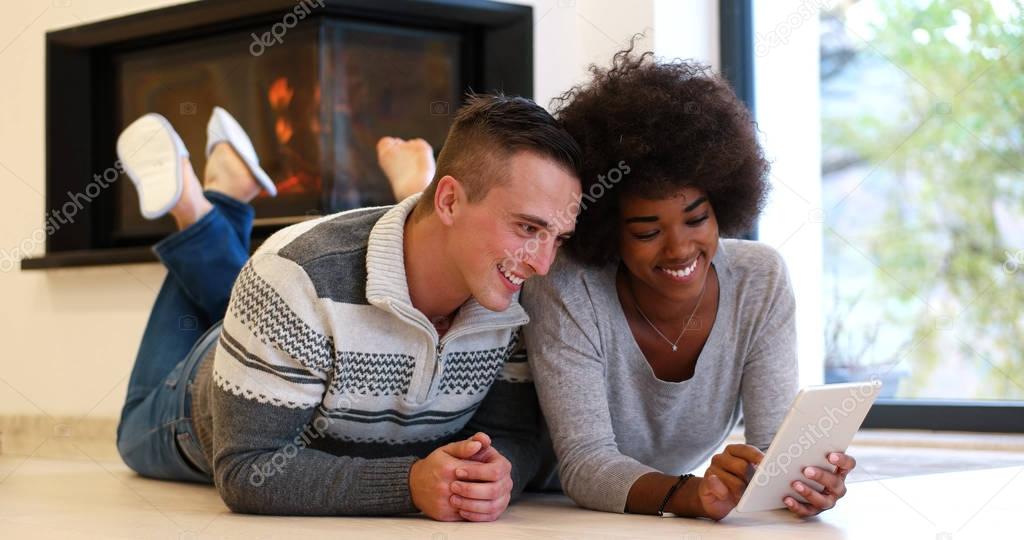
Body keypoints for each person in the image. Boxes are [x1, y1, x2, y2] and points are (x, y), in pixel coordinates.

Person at [115, 97, 582, 521]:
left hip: (304, 327)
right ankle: (198, 204)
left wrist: (500, 473)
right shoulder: (292, 275)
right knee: (129, 434)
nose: (543, 264)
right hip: (199, 398)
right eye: (526, 228)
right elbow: (247, 468)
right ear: (449, 200)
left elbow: (514, 436)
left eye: (558, 239)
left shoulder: (506, 292)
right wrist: (409, 484)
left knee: (276, 290)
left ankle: (222, 195)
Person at [521, 48, 858, 520]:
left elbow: (773, 451)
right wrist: (689, 495)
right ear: (608, 231)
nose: (679, 249)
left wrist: (801, 484)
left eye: (697, 219)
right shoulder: (568, 285)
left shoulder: (759, 279)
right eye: (647, 232)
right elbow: (584, 464)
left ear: (723, 203)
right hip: (536, 504)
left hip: (652, 514)